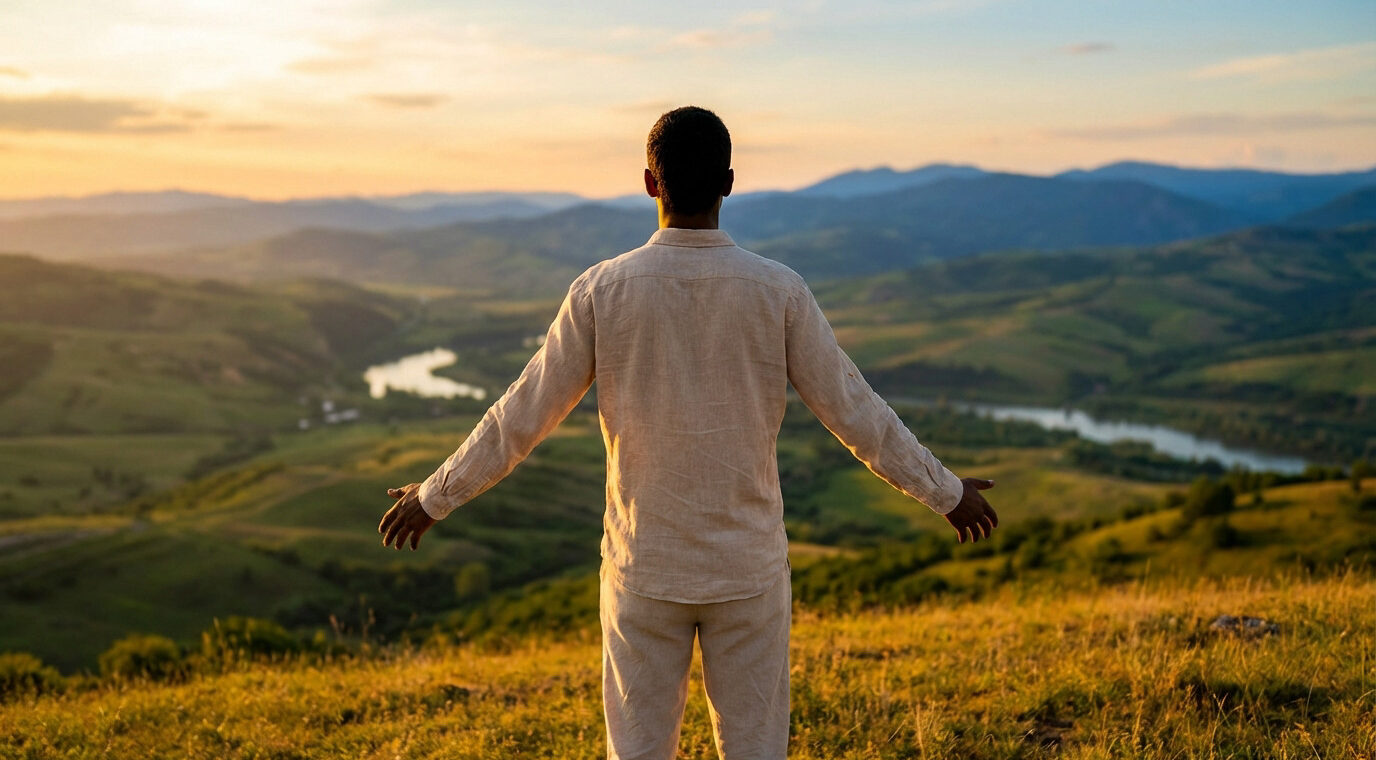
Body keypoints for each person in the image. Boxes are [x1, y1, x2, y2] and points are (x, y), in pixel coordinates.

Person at [378, 105, 999, 759]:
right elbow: (856, 412)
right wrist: (946, 492)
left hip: (642, 569)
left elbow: (520, 417)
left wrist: (435, 495)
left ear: (650, 182)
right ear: (730, 182)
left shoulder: (600, 291)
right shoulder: (780, 291)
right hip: (749, 571)